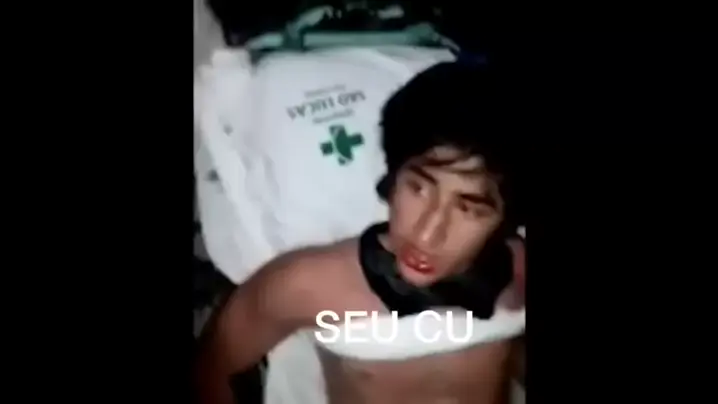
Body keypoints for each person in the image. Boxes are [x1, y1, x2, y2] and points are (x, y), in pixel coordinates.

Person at [195, 61, 526, 404]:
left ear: (505, 219)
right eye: (418, 189)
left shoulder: (519, 270)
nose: (427, 236)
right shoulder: (309, 285)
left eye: (468, 209)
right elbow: (211, 370)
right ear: (392, 177)